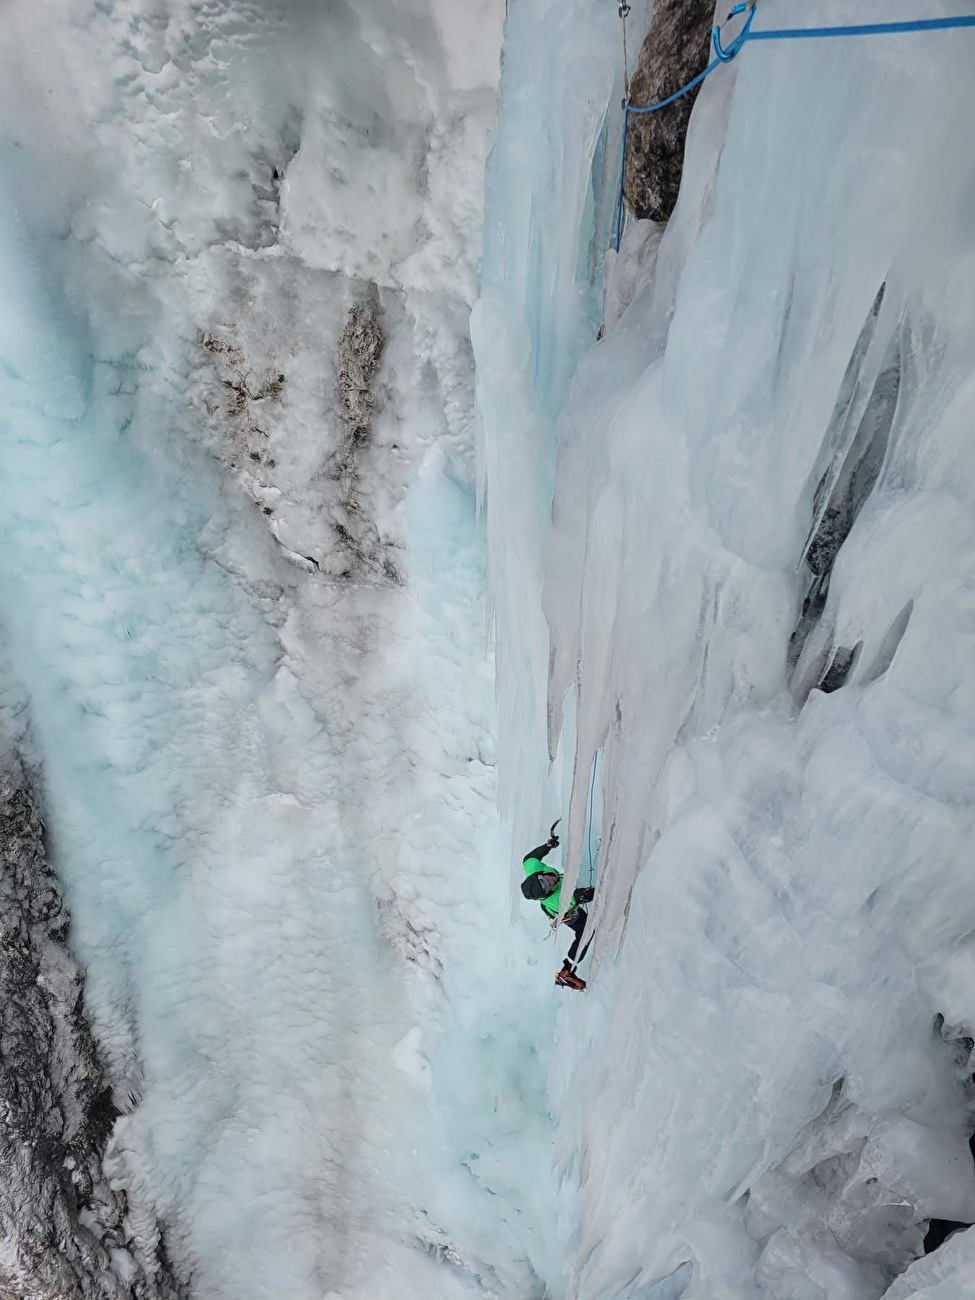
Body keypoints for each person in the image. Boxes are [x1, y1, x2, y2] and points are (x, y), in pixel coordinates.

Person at [521, 821, 595, 990]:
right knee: (585, 932)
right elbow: (579, 897)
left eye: (545, 880)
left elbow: (529, 858)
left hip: (561, 901)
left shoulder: (533, 868)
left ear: (537, 875)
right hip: (564, 912)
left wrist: (547, 846)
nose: (551, 881)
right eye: (548, 888)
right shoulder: (557, 899)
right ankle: (566, 972)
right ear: (546, 894)